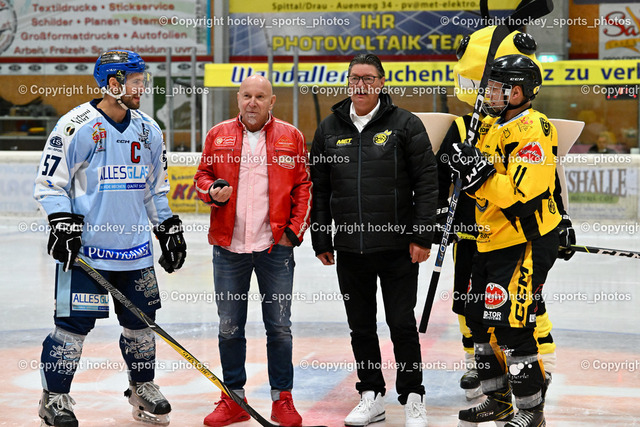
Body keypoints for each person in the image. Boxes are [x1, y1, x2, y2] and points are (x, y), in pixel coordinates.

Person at [33, 50, 187, 427]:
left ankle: (142, 387)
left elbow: (155, 188)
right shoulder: (76, 126)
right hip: (86, 254)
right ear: (113, 84)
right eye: (135, 82)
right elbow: (50, 183)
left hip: (135, 253)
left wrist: (166, 228)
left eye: (142, 80)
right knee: (71, 329)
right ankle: (54, 398)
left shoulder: (149, 130)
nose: (141, 88)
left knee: (141, 326)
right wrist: (61, 221)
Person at [437, 27, 565, 401]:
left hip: (522, 240)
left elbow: (523, 194)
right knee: (478, 318)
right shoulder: (488, 128)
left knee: (513, 323)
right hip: (486, 239)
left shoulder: (533, 128)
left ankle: (532, 402)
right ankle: (494, 396)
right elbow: (467, 180)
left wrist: (480, 175)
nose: (487, 94)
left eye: (495, 88)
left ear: (518, 92)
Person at [310, 53, 436, 427]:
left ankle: (413, 396)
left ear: (381, 83)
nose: (361, 85)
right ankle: (371, 395)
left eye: (368, 78)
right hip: (351, 249)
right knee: (361, 327)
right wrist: (322, 237)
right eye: (355, 78)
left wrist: (422, 234)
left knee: (401, 324)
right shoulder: (329, 129)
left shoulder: (405, 125)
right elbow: (320, 188)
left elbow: (427, 183)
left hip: (398, 248)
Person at [193, 74, 312, 427]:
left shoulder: (291, 136)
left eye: (260, 97)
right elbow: (202, 177)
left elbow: (304, 187)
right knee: (229, 326)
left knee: (279, 327)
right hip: (229, 248)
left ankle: (282, 399)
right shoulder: (218, 134)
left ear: (271, 101)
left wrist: (292, 233)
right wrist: (211, 191)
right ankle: (234, 399)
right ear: (238, 99)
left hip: (276, 248)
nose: (252, 102)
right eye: (246, 96)